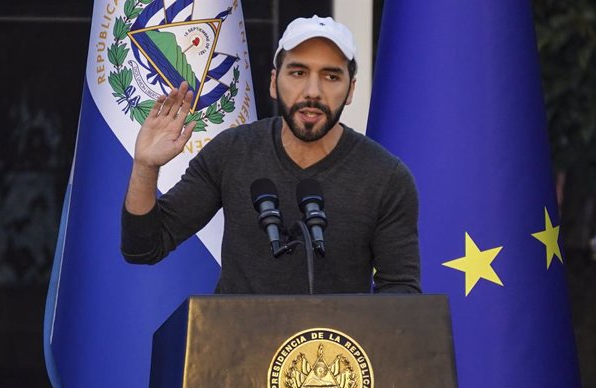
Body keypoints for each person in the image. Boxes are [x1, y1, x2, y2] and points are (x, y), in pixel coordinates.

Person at [121, 15, 421, 294]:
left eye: (331, 77)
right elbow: (144, 248)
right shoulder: (233, 151)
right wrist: (145, 166)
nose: (313, 91)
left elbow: (401, 292)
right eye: (298, 72)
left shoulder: (386, 177)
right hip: (235, 345)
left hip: (332, 350)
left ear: (351, 89)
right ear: (274, 83)